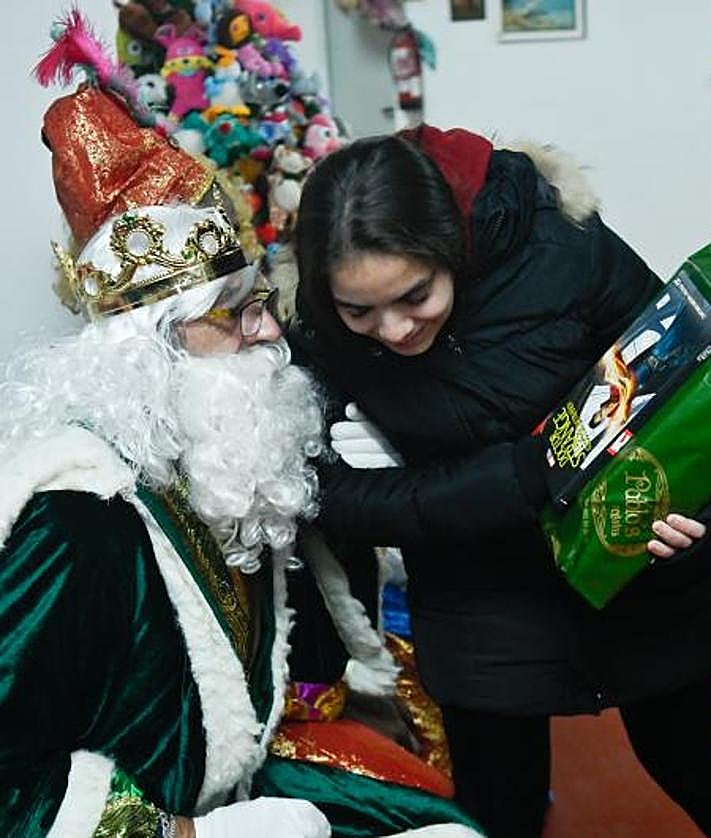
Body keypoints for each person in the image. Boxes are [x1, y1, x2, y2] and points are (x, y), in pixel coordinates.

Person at [0, 31, 486, 833]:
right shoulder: (74, 523)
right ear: (150, 349)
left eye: (262, 300)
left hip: (246, 779)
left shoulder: (210, 456)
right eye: (239, 314)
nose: (270, 333)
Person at [290, 126, 711, 838]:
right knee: (497, 815)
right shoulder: (319, 331)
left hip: (638, 578)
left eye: (414, 295)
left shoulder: (561, 246)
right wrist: (512, 479)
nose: (392, 331)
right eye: (358, 310)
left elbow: (683, 384)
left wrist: (693, 521)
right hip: (479, 607)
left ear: (449, 247)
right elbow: (327, 500)